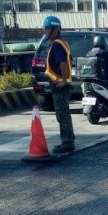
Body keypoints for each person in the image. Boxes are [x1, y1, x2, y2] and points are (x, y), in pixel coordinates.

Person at [42, 15, 75, 154]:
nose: (45, 31)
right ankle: (69, 140)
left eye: (47, 28)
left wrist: (63, 80)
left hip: (59, 86)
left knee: (62, 114)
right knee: (64, 114)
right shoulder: (62, 42)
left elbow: (62, 63)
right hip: (62, 84)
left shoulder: (57, 44)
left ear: (55, 29)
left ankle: (67, 142)